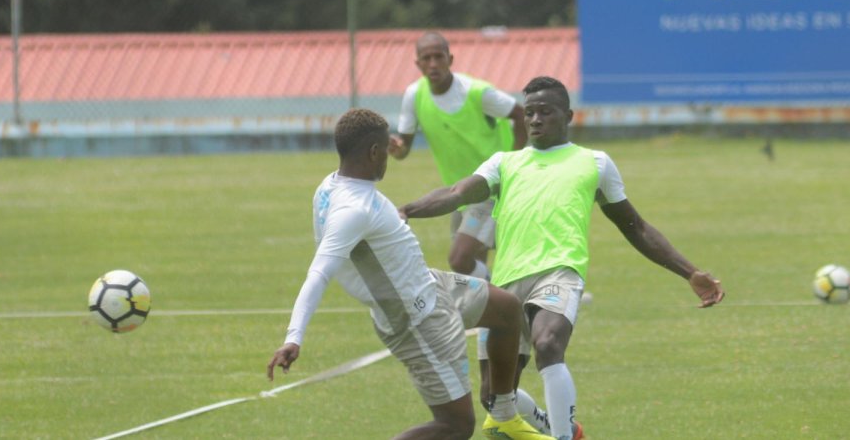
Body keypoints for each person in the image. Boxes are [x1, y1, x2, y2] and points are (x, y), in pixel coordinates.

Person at [400, 76, 726, 440]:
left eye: (545, 112)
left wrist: (690, 273)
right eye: (530, 113)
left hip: (559, 273)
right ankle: (568, 430)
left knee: (548, 343)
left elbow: (637, 227)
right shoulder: (504, 163)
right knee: (494, 396)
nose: (535, 119)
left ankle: (561, 438)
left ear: (568, 115)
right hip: (506, 286)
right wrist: (407, 210)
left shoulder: (595, 163)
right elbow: (457, 192)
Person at [267, 108, 553, 440]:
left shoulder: (331, 186)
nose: (389, 157)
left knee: (507, 309)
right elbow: (318, 273)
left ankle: (504, 415)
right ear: (375, 151)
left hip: (431, 284)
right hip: (417, 319)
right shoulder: (352, 210)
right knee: (456, 426)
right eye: (386, 150)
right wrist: (293, 337)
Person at [389, 31, 527, 280]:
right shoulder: (414, 95)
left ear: (450, 59)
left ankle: (506, 294)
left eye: (438, 57)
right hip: (457, 194)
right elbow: (404, 148)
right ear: (417, 63)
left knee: (459, 258)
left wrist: (516, 163)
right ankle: (499, 306)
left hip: (490, 187)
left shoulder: (477, 92)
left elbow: (521, 115)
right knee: (471, 268)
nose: (433, 64)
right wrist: (394, 149)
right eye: (426, 58)